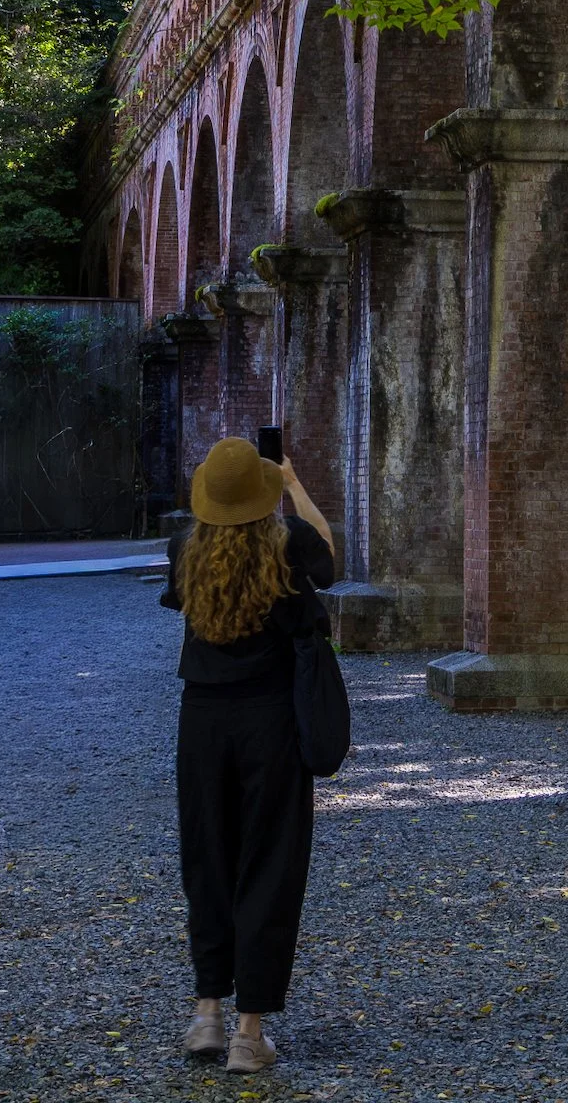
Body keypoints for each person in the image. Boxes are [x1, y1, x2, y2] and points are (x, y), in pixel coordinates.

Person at [160, 436, 335, 1072]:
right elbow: (331, 555)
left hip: (202, 721)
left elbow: (181, 603)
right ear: (260, 494)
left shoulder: (185, 547)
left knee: (208, 857)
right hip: (271, 722)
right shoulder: (288, 544)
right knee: (269, 861)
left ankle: (206, 1013)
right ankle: (248, 1032)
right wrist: (292, 485)